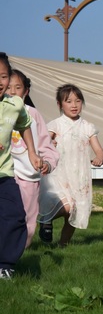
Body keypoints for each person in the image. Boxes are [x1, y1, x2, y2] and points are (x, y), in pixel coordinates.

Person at [38, 84, 103, 247]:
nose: (74, 105)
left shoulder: (87, 127)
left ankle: (63, 244)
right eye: (69, 101)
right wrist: (50, 143)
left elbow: (98, 149)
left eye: (78, 101)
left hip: (79, 175)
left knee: (76, 211)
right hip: (59, 173)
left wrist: (99, 157)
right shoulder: (56, 124)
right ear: (60, 104)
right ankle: (45, 220)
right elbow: (43, 143)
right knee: (67, 206)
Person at [0, 53, 43, 279]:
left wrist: (33, 152)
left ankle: (5, 265)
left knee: (16, 217)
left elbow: (24, 125)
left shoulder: (15, 105)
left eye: (3, 76)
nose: (0, 82)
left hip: (5, 174)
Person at [7, 69, 59, 248]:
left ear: (26, 91)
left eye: (18, 87)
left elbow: (46, 145)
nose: (12, 92)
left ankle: (20, 251)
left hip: (28, 175)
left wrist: (47, 163)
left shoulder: (33, 114)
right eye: (8, 87)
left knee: (28, 217)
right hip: (5, 173)